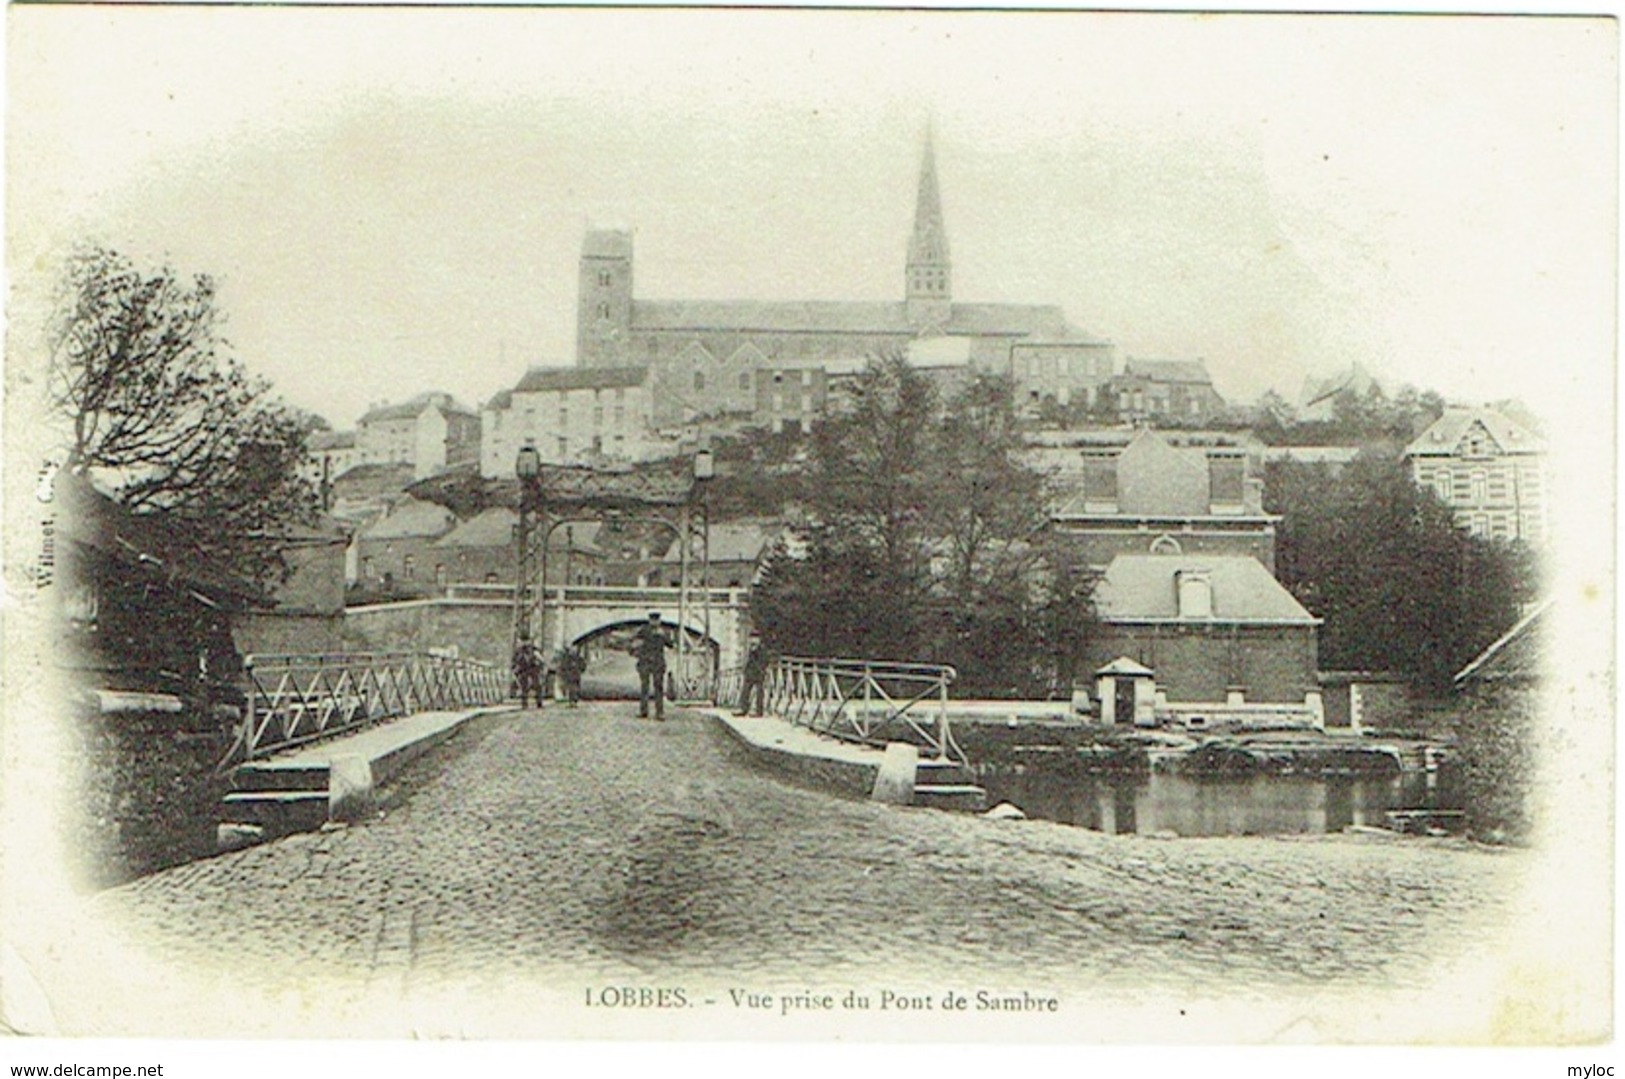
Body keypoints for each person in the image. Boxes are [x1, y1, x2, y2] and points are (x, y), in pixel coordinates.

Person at [632, 612, 670, 720]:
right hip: (645, 662)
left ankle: (660, 712)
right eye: (652, 620)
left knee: (658, 688)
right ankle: (643, 711)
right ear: (649, 620)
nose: (654, 622)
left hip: (658, 663)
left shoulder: (663, 632)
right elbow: (634, 641)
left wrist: (663, 636)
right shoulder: (644, 630)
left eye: (656, 620)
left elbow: (671, 644)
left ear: (659, 621)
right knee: (644, 687)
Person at [737, 634, 769, 717]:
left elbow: (764, 661)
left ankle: (759, 711)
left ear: (759, 640)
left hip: (758, 673)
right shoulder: (751, 649)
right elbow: (749, 661)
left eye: (755, 639)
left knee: (759, 693)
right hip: (750, 673)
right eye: (752, 638)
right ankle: (744, 709)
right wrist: (745, 671)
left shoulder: (761, 649)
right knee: (745, 690)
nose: (753, 640)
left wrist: (762, 671)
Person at [512, 637, 543, 709]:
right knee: (524, 688)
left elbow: (541, 660)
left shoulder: (534, 651)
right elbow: (515, 661)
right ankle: (524, 704)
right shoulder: (519, 652)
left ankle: (539, 702)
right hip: (523, 670)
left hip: (533, 670)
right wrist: (515, 669)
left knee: (537, 686)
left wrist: (538, 665)